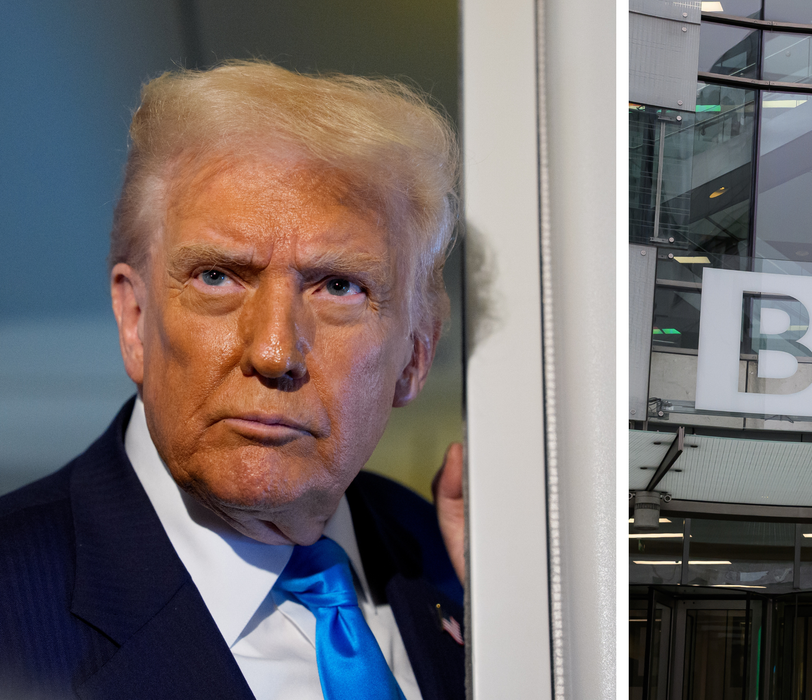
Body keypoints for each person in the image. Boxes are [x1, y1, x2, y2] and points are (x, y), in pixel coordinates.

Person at [0, 60, 466, 700]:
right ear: (135, 320)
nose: (274, 351)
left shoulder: (464, 571)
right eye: (217, 277)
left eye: (338, 287)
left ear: (415, 354)